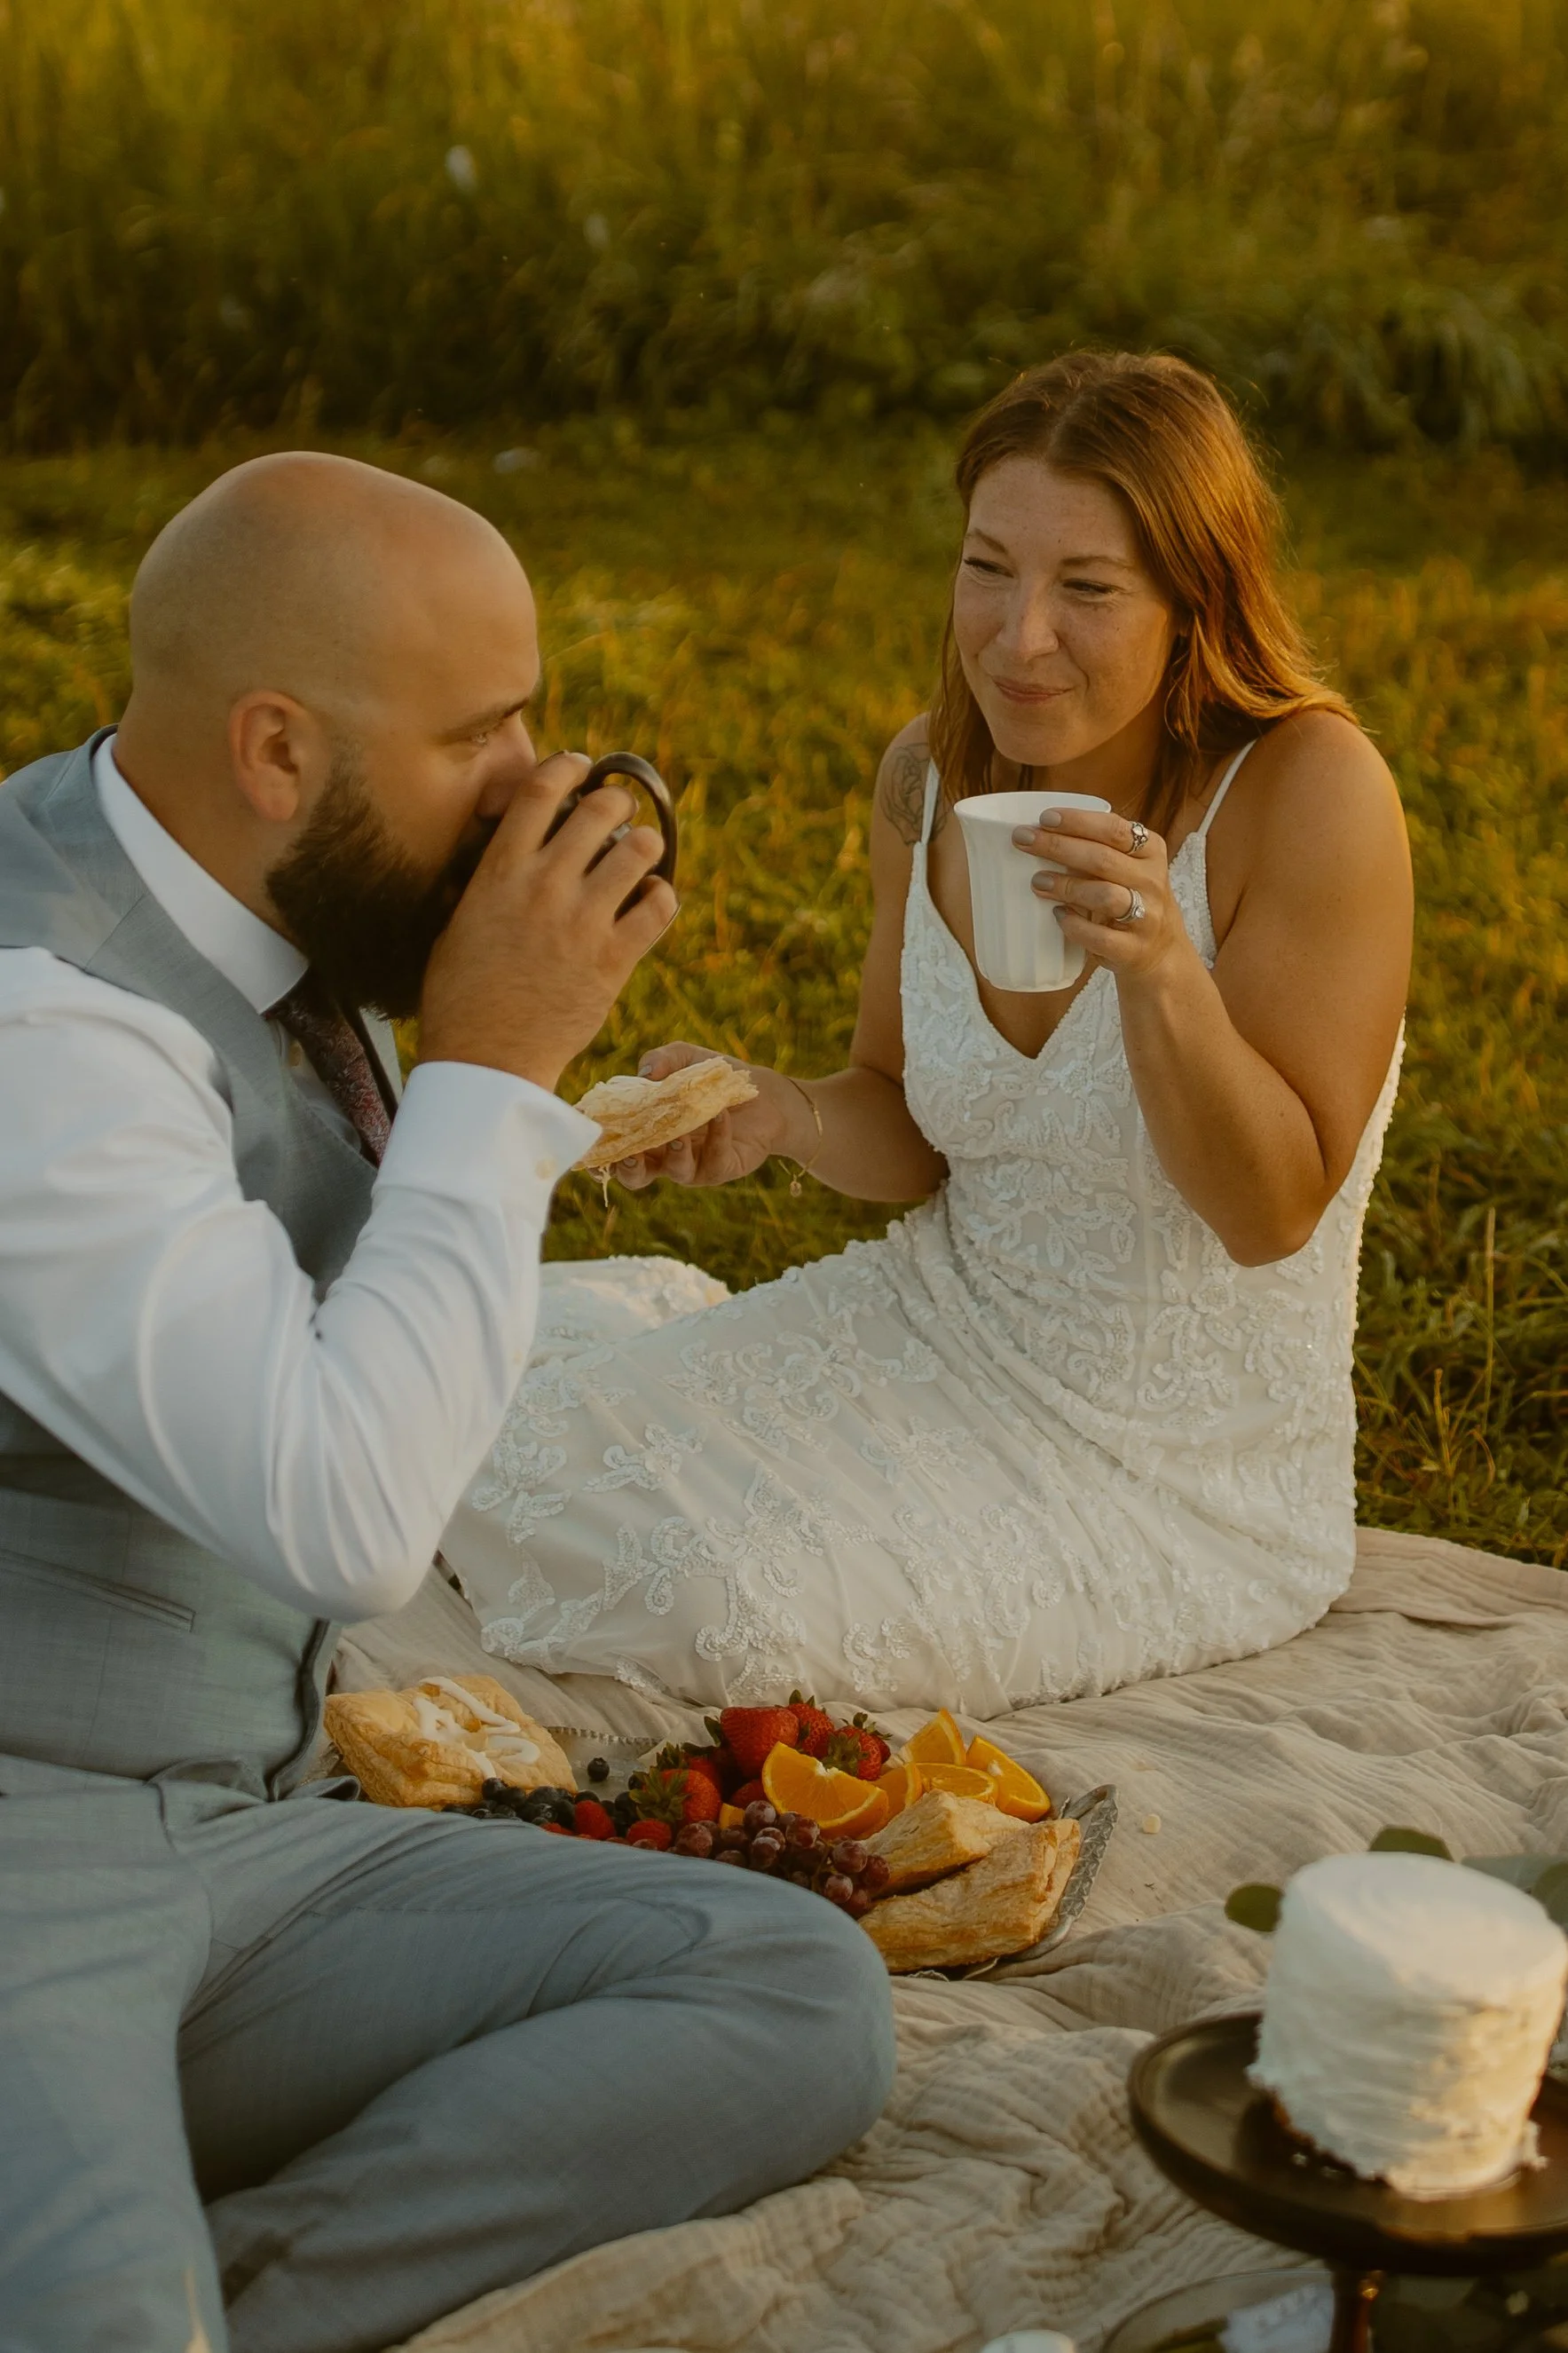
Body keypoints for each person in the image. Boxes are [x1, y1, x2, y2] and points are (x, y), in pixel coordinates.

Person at [0, 453, 895, 2353]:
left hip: (248, 1828)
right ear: (275, 751)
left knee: (789, 1994)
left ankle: (238, 2298)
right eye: (485, 734)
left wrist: (507, 1108)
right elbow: (344, 1513)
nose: (535, 787)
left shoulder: (294, 911)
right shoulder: (42, 1029)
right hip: (25, 1844)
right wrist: (491, 1072)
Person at [445, 351, 1414, 1716]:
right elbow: (905, 1113)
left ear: (1195, 601)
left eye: (1086, 588)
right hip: (928, 1329)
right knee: (479, 1446)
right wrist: (782, 1112)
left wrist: (1158, 971)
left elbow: (1268, 1212)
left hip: (1178, 1479)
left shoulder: (1308, 793)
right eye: (985, 568)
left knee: (719, 1615)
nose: (1018, 636)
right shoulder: (929, 774)